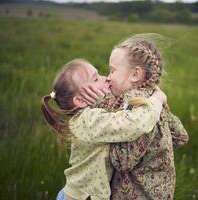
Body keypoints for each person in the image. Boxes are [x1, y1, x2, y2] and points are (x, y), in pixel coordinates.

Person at [40, 58, 167, 200]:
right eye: (95, 79)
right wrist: (156, 101)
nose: (106, 78)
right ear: (80, 101)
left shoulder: (87, 117)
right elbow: (132, 124)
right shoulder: (90, 120)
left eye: (99, 74)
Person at [96, 34, 189, 199]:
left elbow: (122, 161)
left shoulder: (136, 106)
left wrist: (104, 130)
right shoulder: (155, 100)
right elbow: (181, 136)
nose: (108, 77)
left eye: (112, 70)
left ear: (135, 74)